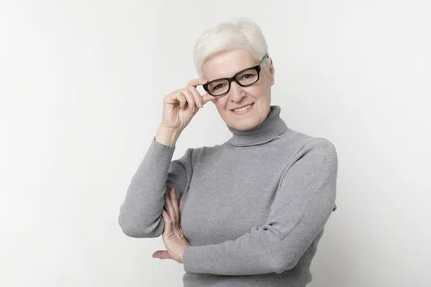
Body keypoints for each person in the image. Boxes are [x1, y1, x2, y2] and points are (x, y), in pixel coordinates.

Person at [118, 17, 338, 287]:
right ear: (207, 93)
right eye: (220, 85)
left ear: (270, 72)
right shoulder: (195, 163)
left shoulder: (310, 155)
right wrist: (169, 131)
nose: (235, 96)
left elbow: (277, 252)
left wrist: (187, 254)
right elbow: (136, 223)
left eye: (246, 76)